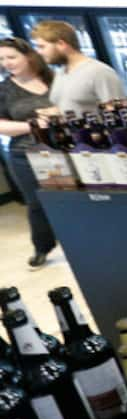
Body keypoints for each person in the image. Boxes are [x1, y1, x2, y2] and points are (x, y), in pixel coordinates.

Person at [0, 37, 57, 268]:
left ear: (28, 56)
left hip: (62, 148)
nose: (6, 63)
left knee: (72, 198)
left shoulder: (52, 78)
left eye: (11, 57)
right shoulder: (5, 89)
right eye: (2, 59)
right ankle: (42, 246)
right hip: (25, 154)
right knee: (36, 202)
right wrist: (34, 125)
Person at [30, 20, 124, 115]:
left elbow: (117, 113)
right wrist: (53, 112)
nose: (39, 52)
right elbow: (71, 108)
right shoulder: (61, 72)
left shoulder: (100, 72)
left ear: (61, 44)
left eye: (42, 47)